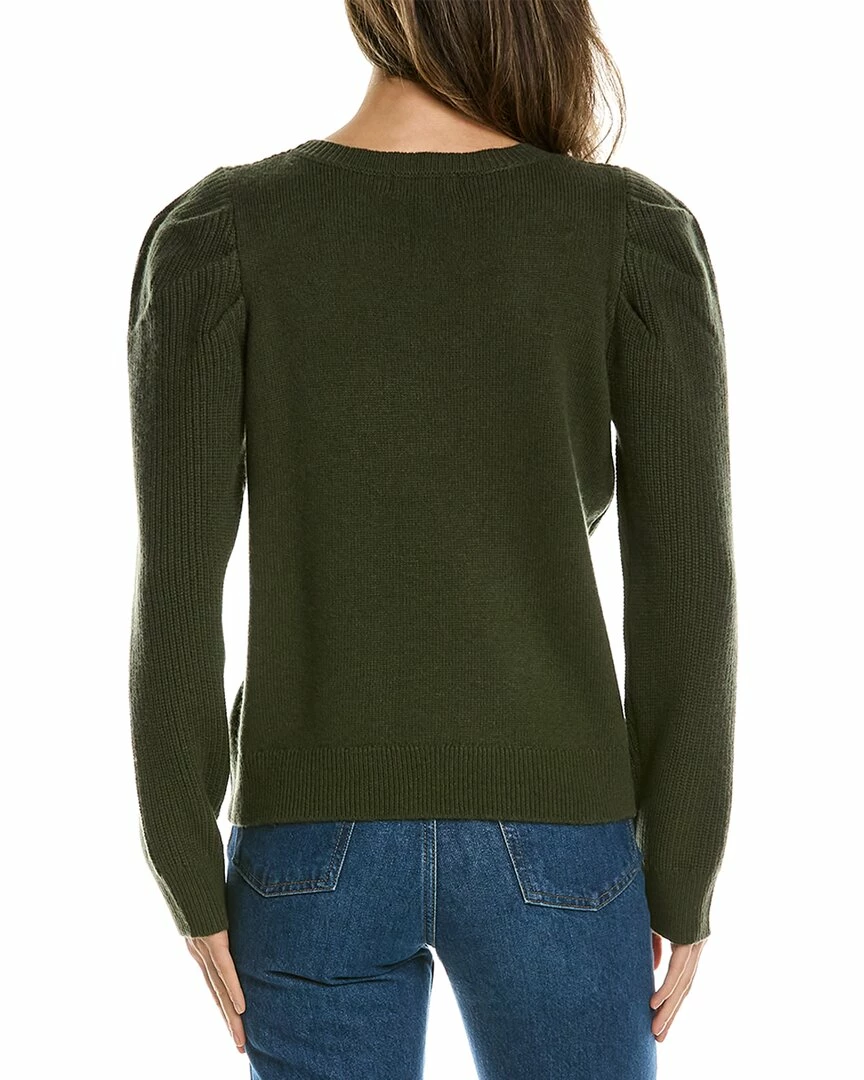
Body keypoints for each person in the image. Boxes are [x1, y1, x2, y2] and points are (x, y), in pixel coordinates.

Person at [125, 2, 737, 1077]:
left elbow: (177, 585)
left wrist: (184, 858)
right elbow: (687, 590)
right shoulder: (629, 233)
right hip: (558, 835)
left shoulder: (218, 234)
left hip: (308, 839)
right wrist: (684, 868)